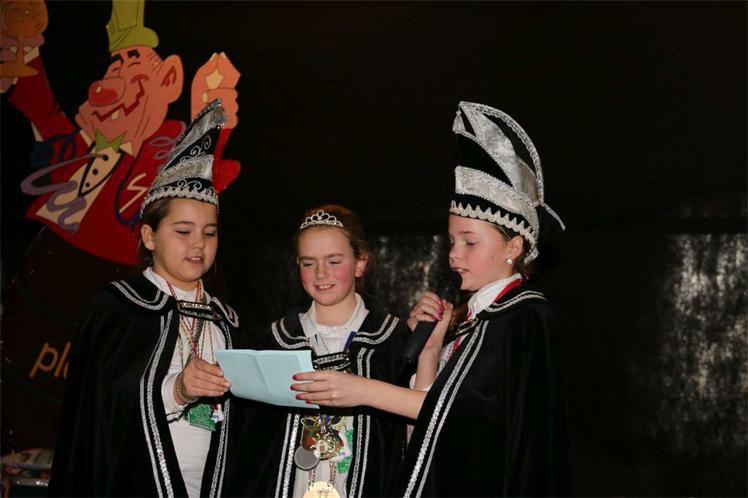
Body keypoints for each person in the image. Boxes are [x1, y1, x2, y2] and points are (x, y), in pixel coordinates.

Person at [292, 101, 569, 497]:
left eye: (470, 242)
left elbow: (465, 413)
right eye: (452, 241)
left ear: (513, 246)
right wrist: (430, 352)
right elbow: (432, 419)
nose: (454, 255)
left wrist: (363, 390)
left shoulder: (521, 317)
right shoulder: (478, 319)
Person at [48, 100, 240, 497]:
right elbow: (100, 410)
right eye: (183, 232)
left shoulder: (226, 320)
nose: (199, 245)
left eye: (209, 233)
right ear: (150, 236)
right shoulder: (118, 307)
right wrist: (177, 389)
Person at [224, 204, 411, 498]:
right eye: (308, 263)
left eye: (334, 261)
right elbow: (250, 445)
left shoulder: (393, 340)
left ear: (360, 263)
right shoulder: (275, 340)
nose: (321, 274)